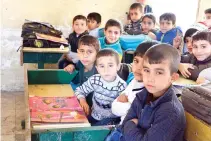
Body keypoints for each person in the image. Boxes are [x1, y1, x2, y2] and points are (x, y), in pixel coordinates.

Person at [106, 44, 186, 141]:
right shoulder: (143, 94)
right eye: (147, 70)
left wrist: (131, 125)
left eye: (159, 72)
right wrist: (133, 128)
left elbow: (128, 124)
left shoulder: (170, 112)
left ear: (173, 77)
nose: (150, 78)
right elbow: (124, 124)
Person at [75, 49, 127, 126]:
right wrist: (82, 100)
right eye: (102, 66)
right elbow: (79, 90)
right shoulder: (95, 80)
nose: (106, 70)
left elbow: (124, 108)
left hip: (112, 119)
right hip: (94, 115)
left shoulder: (121, 86)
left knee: (91, 132)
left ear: (118, 66)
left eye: (110, 65)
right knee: (78, 124)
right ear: (97, 68)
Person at [111, 41, 158, 124]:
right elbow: (114, 108)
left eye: (144, 64)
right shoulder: (135, 81)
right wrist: (130, 106)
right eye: (136, 61)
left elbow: (137, 115)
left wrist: (126, 105)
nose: (138, 68)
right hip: (121, 126)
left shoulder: (150, 91)